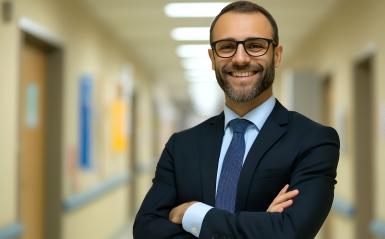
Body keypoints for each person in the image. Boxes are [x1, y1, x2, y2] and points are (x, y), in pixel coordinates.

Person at [133, 1, 340, 238]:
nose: (240, 58)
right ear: (212, 58)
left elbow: (290, 232)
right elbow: (146, 230)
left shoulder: (313, 141)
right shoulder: (181, 146)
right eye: (227, 46)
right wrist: (263, 225)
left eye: (255, 45)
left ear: (277, 55)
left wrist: (192, 213)